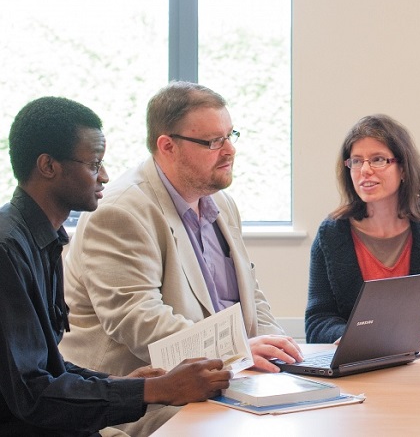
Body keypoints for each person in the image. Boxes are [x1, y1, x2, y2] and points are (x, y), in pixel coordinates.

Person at [60, 82, 302, 436]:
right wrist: (238, 352)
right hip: (144, 399)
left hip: (222, 382)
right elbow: (140, 323)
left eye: (230, 135)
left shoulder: (221, 203)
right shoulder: (120, 210)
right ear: (167, 146)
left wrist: (282, 353)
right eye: (212, 142)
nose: (230, 150)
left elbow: (252, 298)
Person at [0, 96, 231, 436]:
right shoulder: (8, 248)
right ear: (48, 166)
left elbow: (50, 366)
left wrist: (119, 382)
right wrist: (156, 390)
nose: (105, 176)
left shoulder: (44, 238)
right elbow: (31, 395)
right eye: (94, 164)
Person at [306, 114, 420, 344]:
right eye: (356, 161)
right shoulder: (331, 234)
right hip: (360, 367)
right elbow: (318, 320)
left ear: (404, 169)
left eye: (378, 159)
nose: (365, 170)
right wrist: (346, 336)